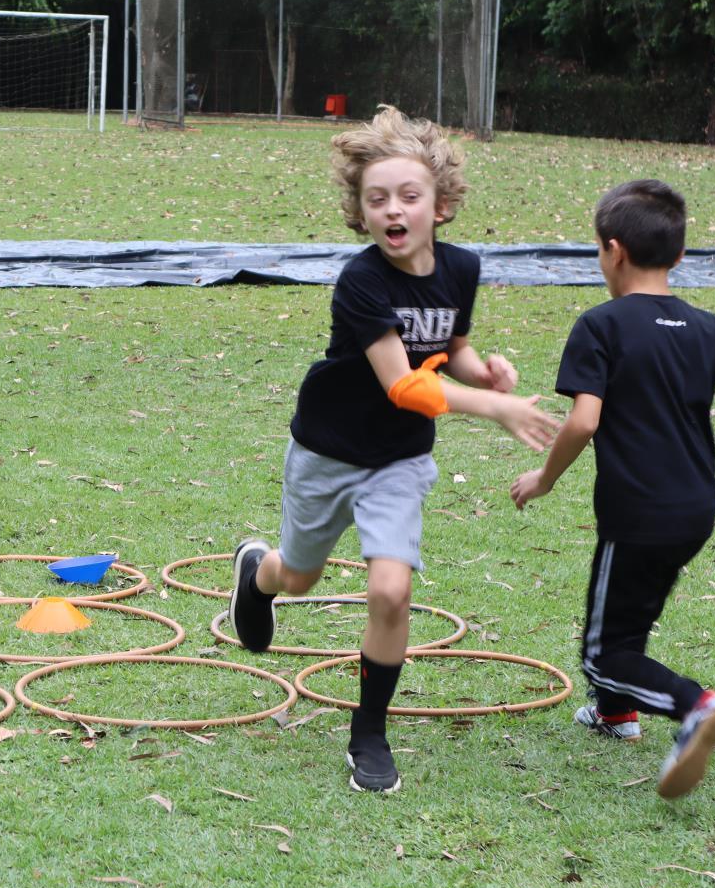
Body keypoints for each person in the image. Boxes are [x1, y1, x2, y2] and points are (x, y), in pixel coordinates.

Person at [227, 106, 558, 793]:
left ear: (441, 206)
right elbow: (406, 384)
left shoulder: (462, 268)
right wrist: (494, 407)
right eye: (377, 199)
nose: (393, 209)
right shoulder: (362, 282)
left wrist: (483, 374)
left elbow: (448, 348)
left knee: (391, 587)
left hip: (399, 460)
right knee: (300, 579)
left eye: (409, 195)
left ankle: (369, 732)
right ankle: (258, 573)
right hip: (328, 448)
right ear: (361, 211)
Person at [509, 179, 715, 799]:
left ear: (613, 251)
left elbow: (585, 421)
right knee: (631, 613)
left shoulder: (600, 326)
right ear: (676, 257)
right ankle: (616, 714)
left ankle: (695, 706)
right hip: (696, 507)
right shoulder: (706, 327)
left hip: (636, 511)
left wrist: (543, 478)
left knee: (603, 654)